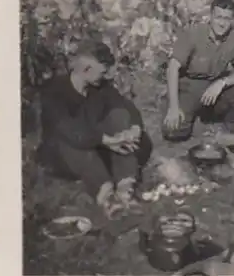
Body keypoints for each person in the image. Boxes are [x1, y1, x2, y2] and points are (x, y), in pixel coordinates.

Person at [37, 40, 153, 219]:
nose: (106, 76)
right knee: (74, 142)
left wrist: (134, 128)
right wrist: (107, 141)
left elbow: (125, 106)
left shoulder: (99, 87)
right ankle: (107, 197)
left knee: (119, 115)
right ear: (86, 70)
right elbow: (71, 132)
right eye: (103, 71)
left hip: (94, 148)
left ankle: (125, 189)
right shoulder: (54, 92)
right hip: (64, 156)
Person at [162, 0, 234, 142]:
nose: (222, 24)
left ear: (232, 20)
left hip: (215, 85)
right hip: (191, 85)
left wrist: (222, 83)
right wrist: (174, 107)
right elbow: (173, 67)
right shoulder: (193, 33)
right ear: (211, 17)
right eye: (219, 17)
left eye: (227, 19)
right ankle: (187, 114)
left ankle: (225, 133)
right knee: (173, 132)